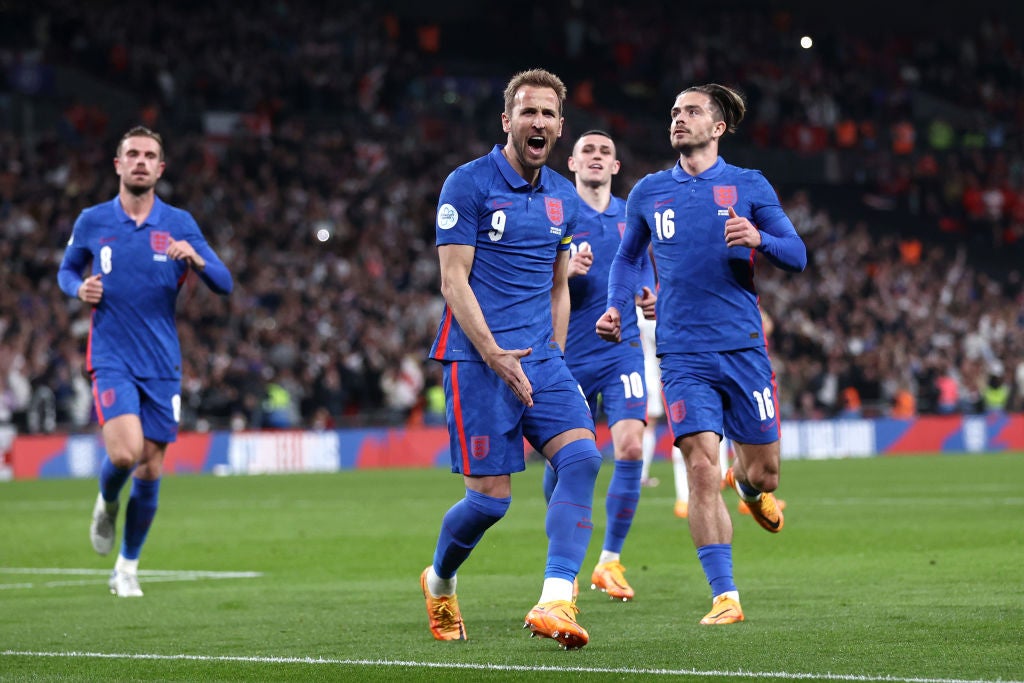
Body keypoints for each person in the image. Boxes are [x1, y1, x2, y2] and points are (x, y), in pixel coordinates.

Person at [597, 84, 807, 625]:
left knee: (766, 476)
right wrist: (618, 305)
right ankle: (725, 595)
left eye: (691, 111)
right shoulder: (648, 192)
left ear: (717, 128)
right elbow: (626, 260)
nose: (678, 119)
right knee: (699, 465)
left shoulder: (748, 185)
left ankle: (749, 484)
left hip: (742, 349)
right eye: (674, 111)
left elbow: (798, 254)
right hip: (682, 352)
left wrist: (759, 238)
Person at [421, 68, 603, 650]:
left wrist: (556, 358)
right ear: (507, 121)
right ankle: (440, 580)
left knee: (582, 459)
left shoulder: (562, 198)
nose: (539, 122)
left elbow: (558, 285)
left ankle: (555, 598)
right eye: (528, 112)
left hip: (543, 360)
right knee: (489, 502)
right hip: (477, 362)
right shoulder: (468, 184)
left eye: (549, 114)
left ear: (559, 127)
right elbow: (454, 282)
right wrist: (495, 353)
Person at [58, 126, 233, 597]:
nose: (139, 161)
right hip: (111, 355)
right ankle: (107, 498)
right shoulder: (93, 220)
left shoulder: (179, 223)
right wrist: (78, 288)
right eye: (131, 153)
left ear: (160, 168)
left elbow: (225, 282)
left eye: (149, 155)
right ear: (118, 164)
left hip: (162, 363)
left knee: (152, 469)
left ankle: (127, 568)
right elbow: (67, 268)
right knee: (124, 453)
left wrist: (195, 257)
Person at [541, 130, 656, 602]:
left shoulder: (632, 216)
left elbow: (644, 268)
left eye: (605, 151)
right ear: (572, 162)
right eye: (587, 150)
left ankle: (609, 561)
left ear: (614, 166)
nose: (596, 157)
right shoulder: (556, 212)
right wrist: (564, 272)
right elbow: (533, 278)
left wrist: (651, 296)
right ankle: (565, 536)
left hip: (621, 349)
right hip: (568, 353)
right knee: (565, 465)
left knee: (630, 447)